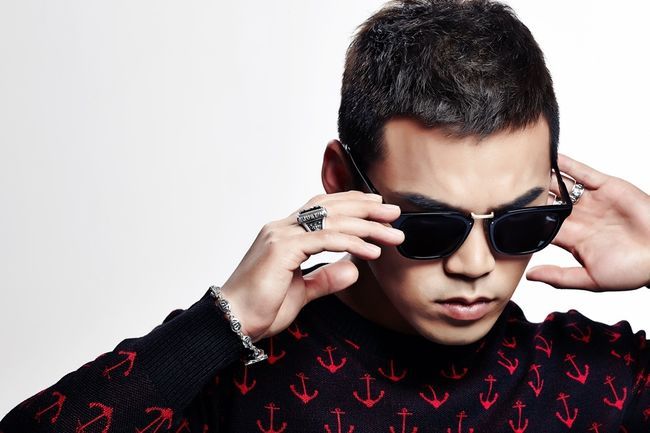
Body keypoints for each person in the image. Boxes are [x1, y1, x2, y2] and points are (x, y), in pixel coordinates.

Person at [2, 0, 649, 431]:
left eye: (519, 225)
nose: (475, 265)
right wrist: (220, 326)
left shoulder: (593, 381)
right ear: (341, 180)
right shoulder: (236, 381)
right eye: (429, 225)